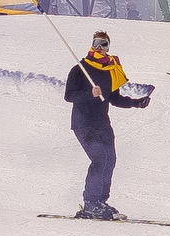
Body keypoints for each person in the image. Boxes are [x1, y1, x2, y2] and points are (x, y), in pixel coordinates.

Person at [64, 29, 150, 219]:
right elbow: (69, 95)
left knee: (109, 160)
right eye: (97, 43)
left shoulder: (110, 69)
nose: (100, 48)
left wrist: (137, 102)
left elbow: (115, 99)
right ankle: (91, 203)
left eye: (104, 44)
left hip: (102, 123)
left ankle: (101, 201)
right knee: (100, 159)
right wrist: (89, 94)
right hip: (84, 123)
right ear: (92, 45)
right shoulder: (80, 68)